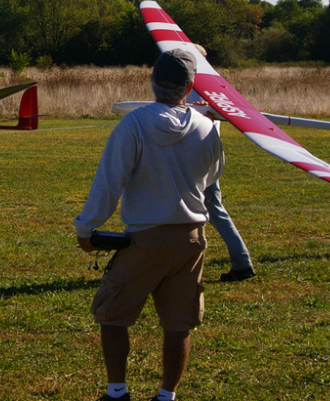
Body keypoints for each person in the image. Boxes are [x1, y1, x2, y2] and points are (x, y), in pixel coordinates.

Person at [75, 48, 224, 401]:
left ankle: (117, 393)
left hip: (144, 238)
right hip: (191, 239)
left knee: (112, 316)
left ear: (153, 82)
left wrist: (86, 229)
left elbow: (110, 181)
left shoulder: (135, 123)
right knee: (179, 323)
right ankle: (166, 396)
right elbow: (213, 175)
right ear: (189, 88)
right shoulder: (207, 127)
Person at [190, 44, 255, 282]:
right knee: (208, 208)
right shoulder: (204, 87)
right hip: (201, 153)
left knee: (212, 208)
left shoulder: (205, 89)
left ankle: (241, 262)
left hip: (199, 154)